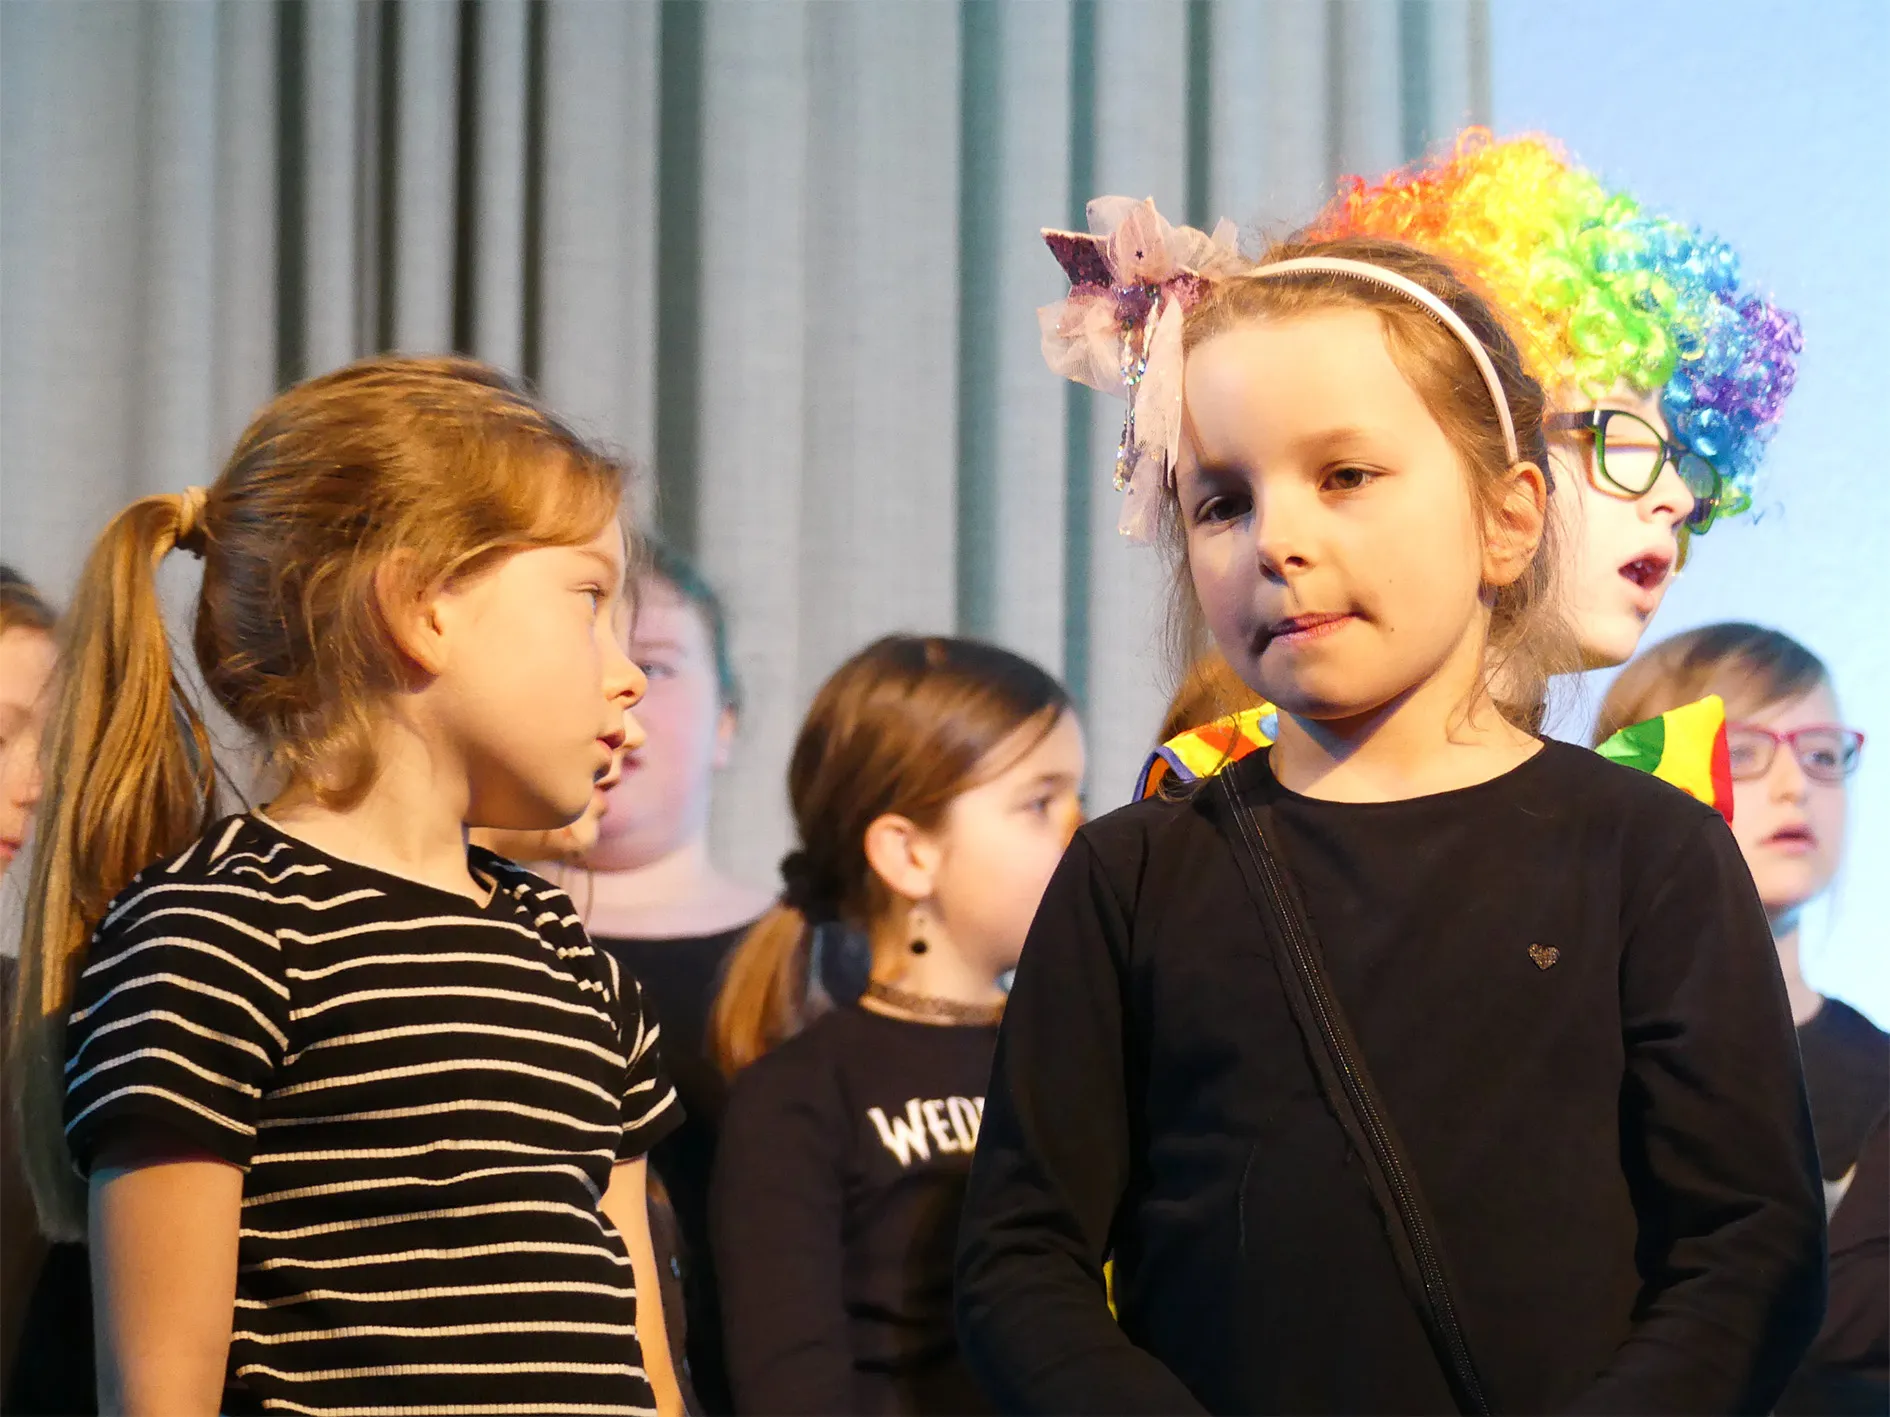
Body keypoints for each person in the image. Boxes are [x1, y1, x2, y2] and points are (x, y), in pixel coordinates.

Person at [956, 204, 1825, 1412]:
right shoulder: (1133, 876)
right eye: (1221, 501)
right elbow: (1017, 1262)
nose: (1279, 540)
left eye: (1346, 474)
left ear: (1508, 517)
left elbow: (1749, 1249)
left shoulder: (1649, 854)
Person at [9, 354, 685, 1417]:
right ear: (423, 607)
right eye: (589, 600)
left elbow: (641, 1354)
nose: (626, 667)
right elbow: (159, 1392)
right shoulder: (219, 935)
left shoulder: (567, 959)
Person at [1133, 128, 1800, 802]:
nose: (1677, 499)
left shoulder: (1648, 832)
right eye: (1619, 440)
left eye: (1682, 456)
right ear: (1490, 451)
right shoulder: (1198, 814)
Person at [711, 635, 1083, 1415]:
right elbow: (793, 1381)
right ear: (909, 854)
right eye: (1040, 802)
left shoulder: (1075, 1057)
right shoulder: (800, 1096)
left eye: (1079, 795)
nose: (1081, 830)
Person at [1599, 623, 1884, 1413]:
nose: (1797, 786)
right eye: (1746, 749)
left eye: (1823, 753)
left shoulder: (1882, 1079)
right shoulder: (1576, 1064)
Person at [514, 541, 769, 1415]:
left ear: (728, 719)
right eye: (581, 649)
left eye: (655, 664)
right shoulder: (470, 950)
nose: (614, 691)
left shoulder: (821, 955)